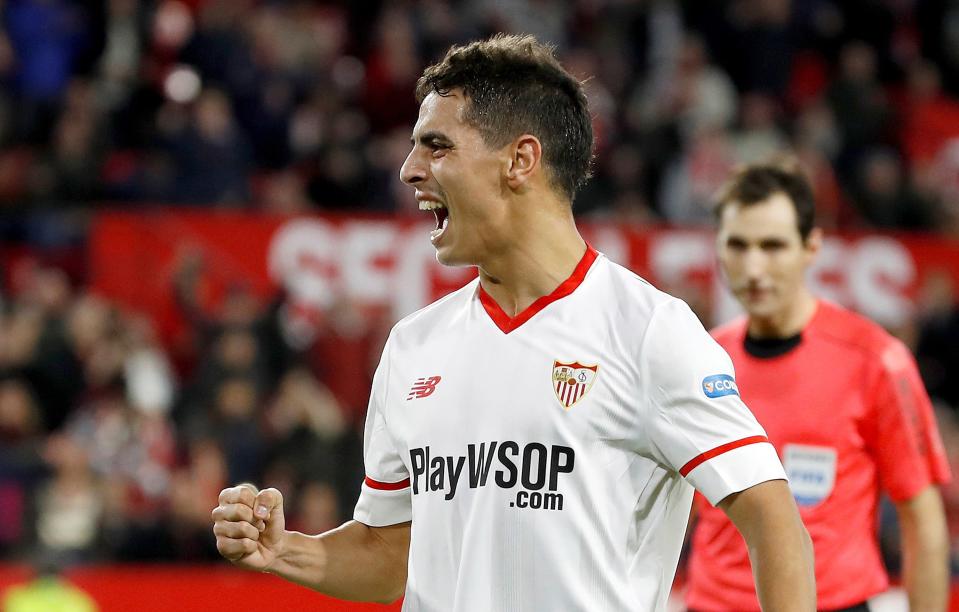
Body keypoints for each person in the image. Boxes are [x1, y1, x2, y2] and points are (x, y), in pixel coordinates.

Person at [211, 34, 815, 611]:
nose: (409, 170)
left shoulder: (649, 333)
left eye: (437, 145)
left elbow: (772, 520)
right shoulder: (413, 346)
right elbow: (388, 555)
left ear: (520, 160)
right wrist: (283, 550)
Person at [686, 160, 951, 612]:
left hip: (833, 604)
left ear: (812, 247)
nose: (753, 267)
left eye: (773, 246)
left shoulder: (876, 360)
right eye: (738, 245)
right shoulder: (698, 360)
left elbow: (922, 519)